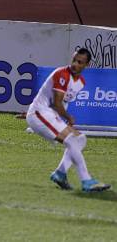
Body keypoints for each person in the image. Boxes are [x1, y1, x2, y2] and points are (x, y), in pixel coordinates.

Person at [26, 48, 111, 192]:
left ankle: (60, 173)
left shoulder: (81, 82)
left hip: (47, 114)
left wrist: (62, 118)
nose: (75, 64)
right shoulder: (62, 74)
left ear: (87, 65)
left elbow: (62, 103)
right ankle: (87, 181)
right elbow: (57, 103)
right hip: (40, 113)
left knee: (80, 139)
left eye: (80, 62)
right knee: (72, 140)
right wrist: (68, 117)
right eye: (74, 60)